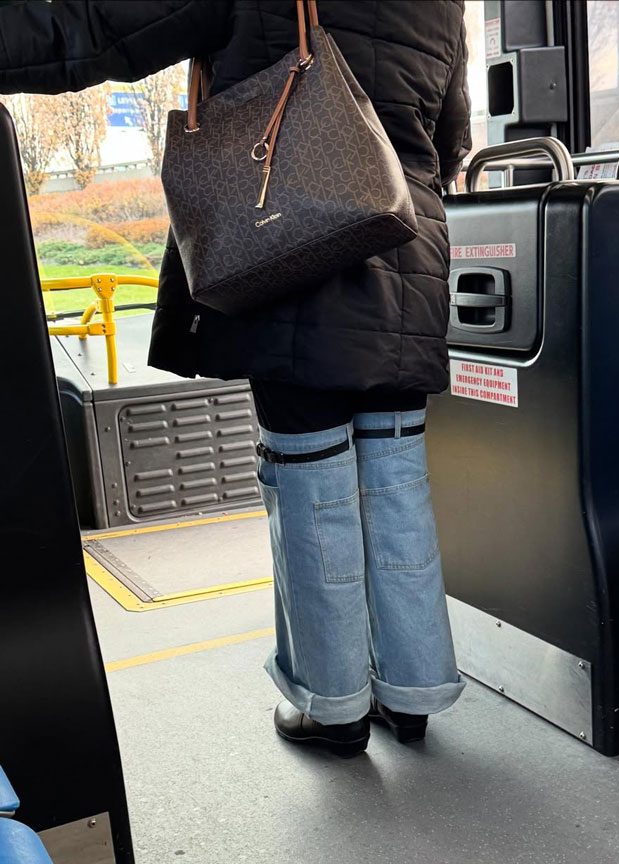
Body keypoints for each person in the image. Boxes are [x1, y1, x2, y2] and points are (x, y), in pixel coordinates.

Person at [0, 0, 471, 758]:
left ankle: (334, 704)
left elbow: (93, 32)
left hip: (294, 245)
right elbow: (451, 139)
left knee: (311, 481)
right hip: (406, 248)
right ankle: (412, 691)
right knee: (394, 477)